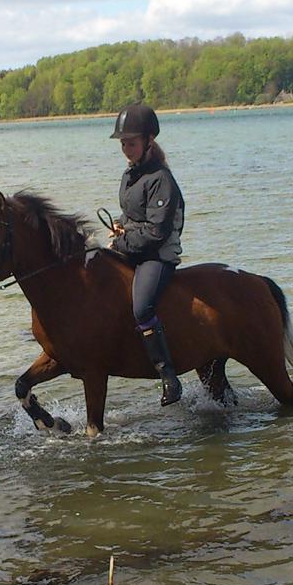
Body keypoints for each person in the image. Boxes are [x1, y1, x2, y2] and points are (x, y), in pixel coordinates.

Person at [105, 102, 185, 405]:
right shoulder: (131, 174)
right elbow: (133, 214)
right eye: (123, 143)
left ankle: (169, 377)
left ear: (148, 140)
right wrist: (120, 225)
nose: (126, 148)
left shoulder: (161, 179)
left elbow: (156, 232)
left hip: (158, 255)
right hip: (135, 247)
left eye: (132, 143)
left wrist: (120, 244)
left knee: (142, 308)